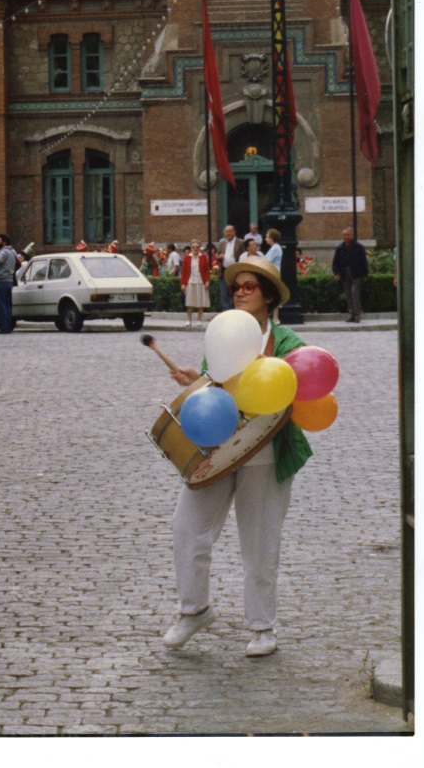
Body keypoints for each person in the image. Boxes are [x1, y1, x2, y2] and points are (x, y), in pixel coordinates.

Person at [162, 256, 312, 659]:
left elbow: (298, 387)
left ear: (267, 296)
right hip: (219, 451)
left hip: (266, 455)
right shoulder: (225, 333)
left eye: (250, 287)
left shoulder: (287, 342)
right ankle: (194, 610)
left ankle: (262, 627)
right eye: (236, 287)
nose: (240, 293)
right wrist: (196, 381)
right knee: (186, 527)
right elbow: (218, 389)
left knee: (260, 542)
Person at [332, 228, 368, 323]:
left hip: (356, 273)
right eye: (344, 235)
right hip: (344, 273)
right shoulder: (339, 248)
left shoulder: (358, 247)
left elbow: (364, 261)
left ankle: (357, 315)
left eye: (347, 235)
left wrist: (364, 274)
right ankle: (351, 314)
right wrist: (336, 273)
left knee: (355, 293)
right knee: (348, 295)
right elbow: (335, 262)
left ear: (351, 235)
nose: (346, 237)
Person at [180, 239, 210, 328]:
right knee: (189, 302)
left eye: (197, 247)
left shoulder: (204, 257)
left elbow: (207, 271)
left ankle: (199, 320)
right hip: (190, 281)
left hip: (201, 281)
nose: (195, 249)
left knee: (200, 302)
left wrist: (207, 281)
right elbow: (184, 272)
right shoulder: (186, 258)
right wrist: (183, 283)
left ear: (200, 248)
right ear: (191, 248)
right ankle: (189, 320)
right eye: (193, 247)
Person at [214, 226, 245, 310]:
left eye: (230, 231)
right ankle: (226, 313)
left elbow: (244, 256)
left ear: (234, 232)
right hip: (224, 271)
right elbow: (217, 255)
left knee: (236, 292)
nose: (228, 233)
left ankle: (237, 311)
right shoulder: (222, 243)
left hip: (236, 272)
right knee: (224, 293)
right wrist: (219, 257)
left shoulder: (241, 242)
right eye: (226, 232)